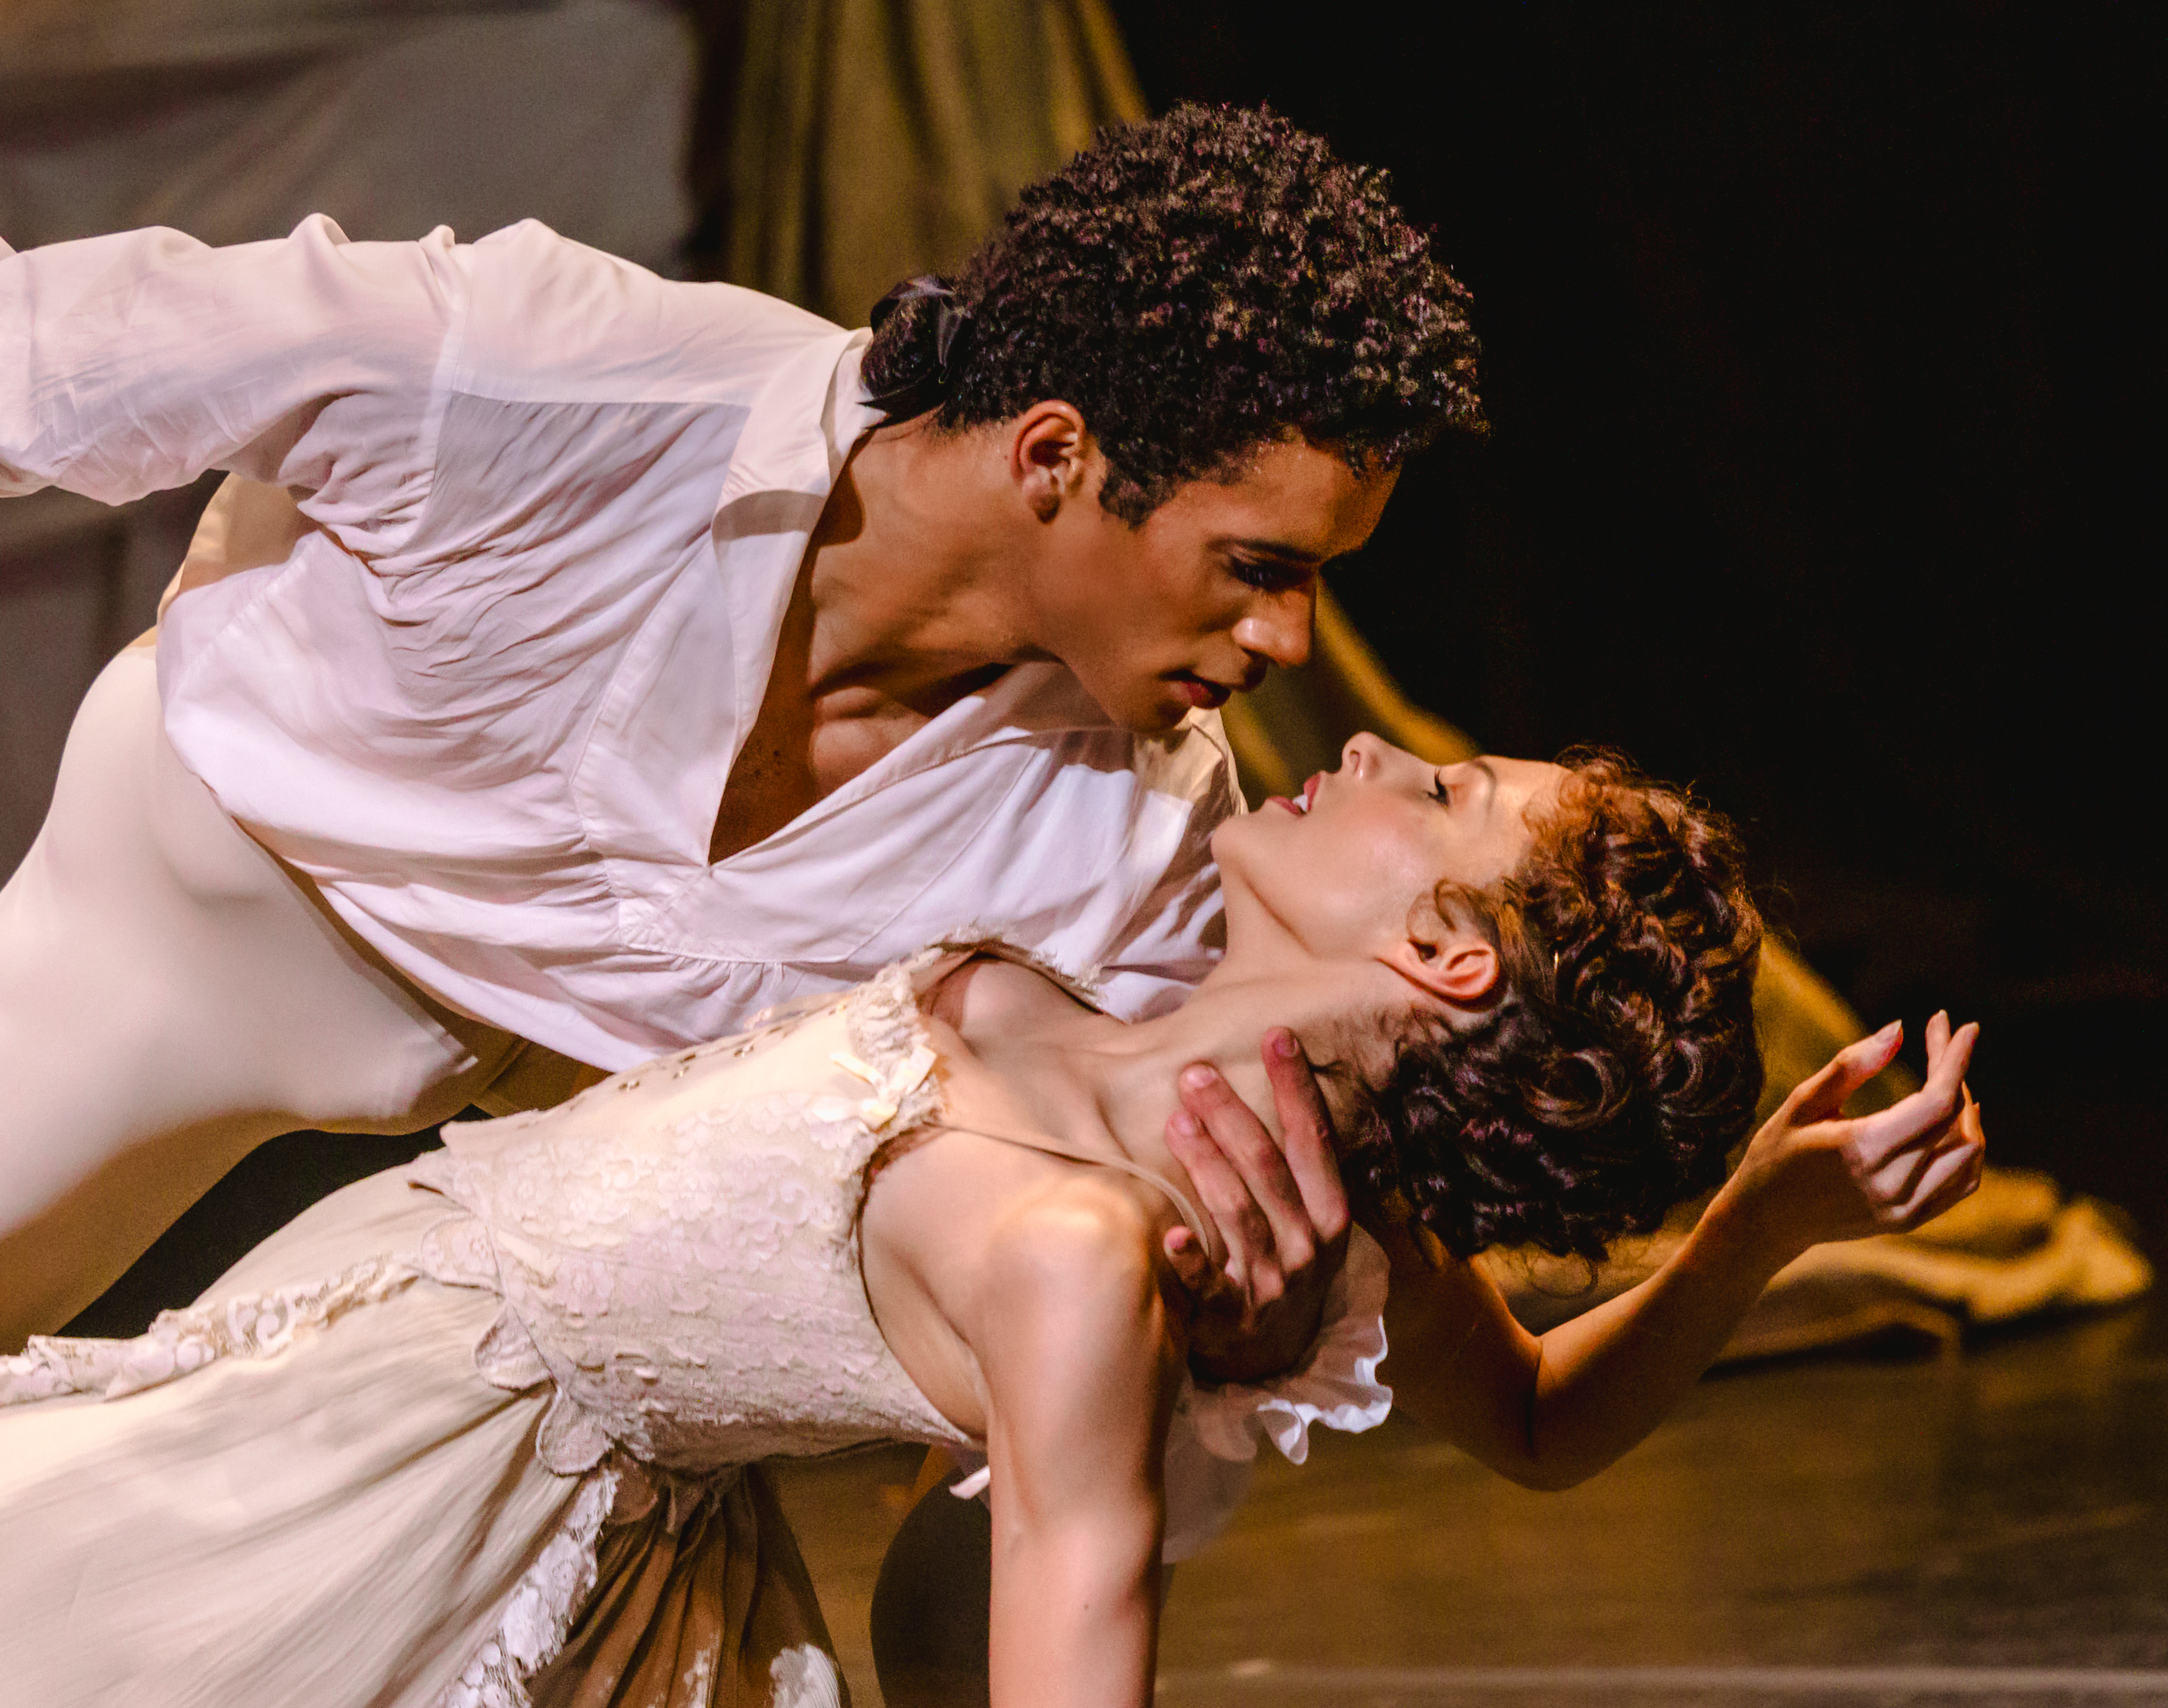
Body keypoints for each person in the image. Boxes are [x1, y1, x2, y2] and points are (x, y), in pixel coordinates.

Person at [0, 734, 1984, 1707]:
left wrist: (1755, 1237)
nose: (1369, 748)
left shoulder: (1090, 1259)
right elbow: (1540, 1420)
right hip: (406, 1399)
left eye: (1444, 790)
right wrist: (1765, 1217)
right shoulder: (1166, 1041)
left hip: (397, 1494)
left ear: (1446, 954)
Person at [0, 103, 1483, 1348]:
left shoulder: (1147, 828)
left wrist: (1255, 1297)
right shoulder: (557, 379)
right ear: (1056, 456)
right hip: (212, 915)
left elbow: (1223, 1163)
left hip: (557, 1193)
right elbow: (45, 352)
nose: (1289, 644)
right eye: (1259, 571)